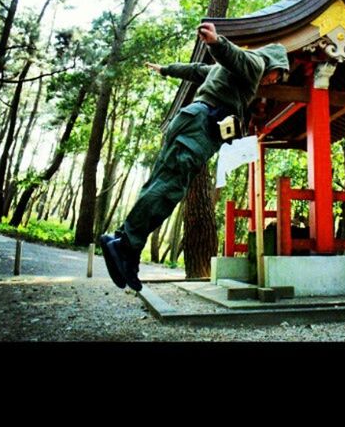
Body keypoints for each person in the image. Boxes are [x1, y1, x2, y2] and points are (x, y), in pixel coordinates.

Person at [100, 21, 290, 291]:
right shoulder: (255, 64)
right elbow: (233, 54)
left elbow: (196, 71)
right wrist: (216, 42)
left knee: (160, 183)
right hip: (200, 126)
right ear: (273, 64)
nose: (273, 81)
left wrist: (166, 69)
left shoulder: (225, 73)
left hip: (190, 119)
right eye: (278, 75)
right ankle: (125, 245)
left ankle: (125, 245)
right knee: (170, 186)